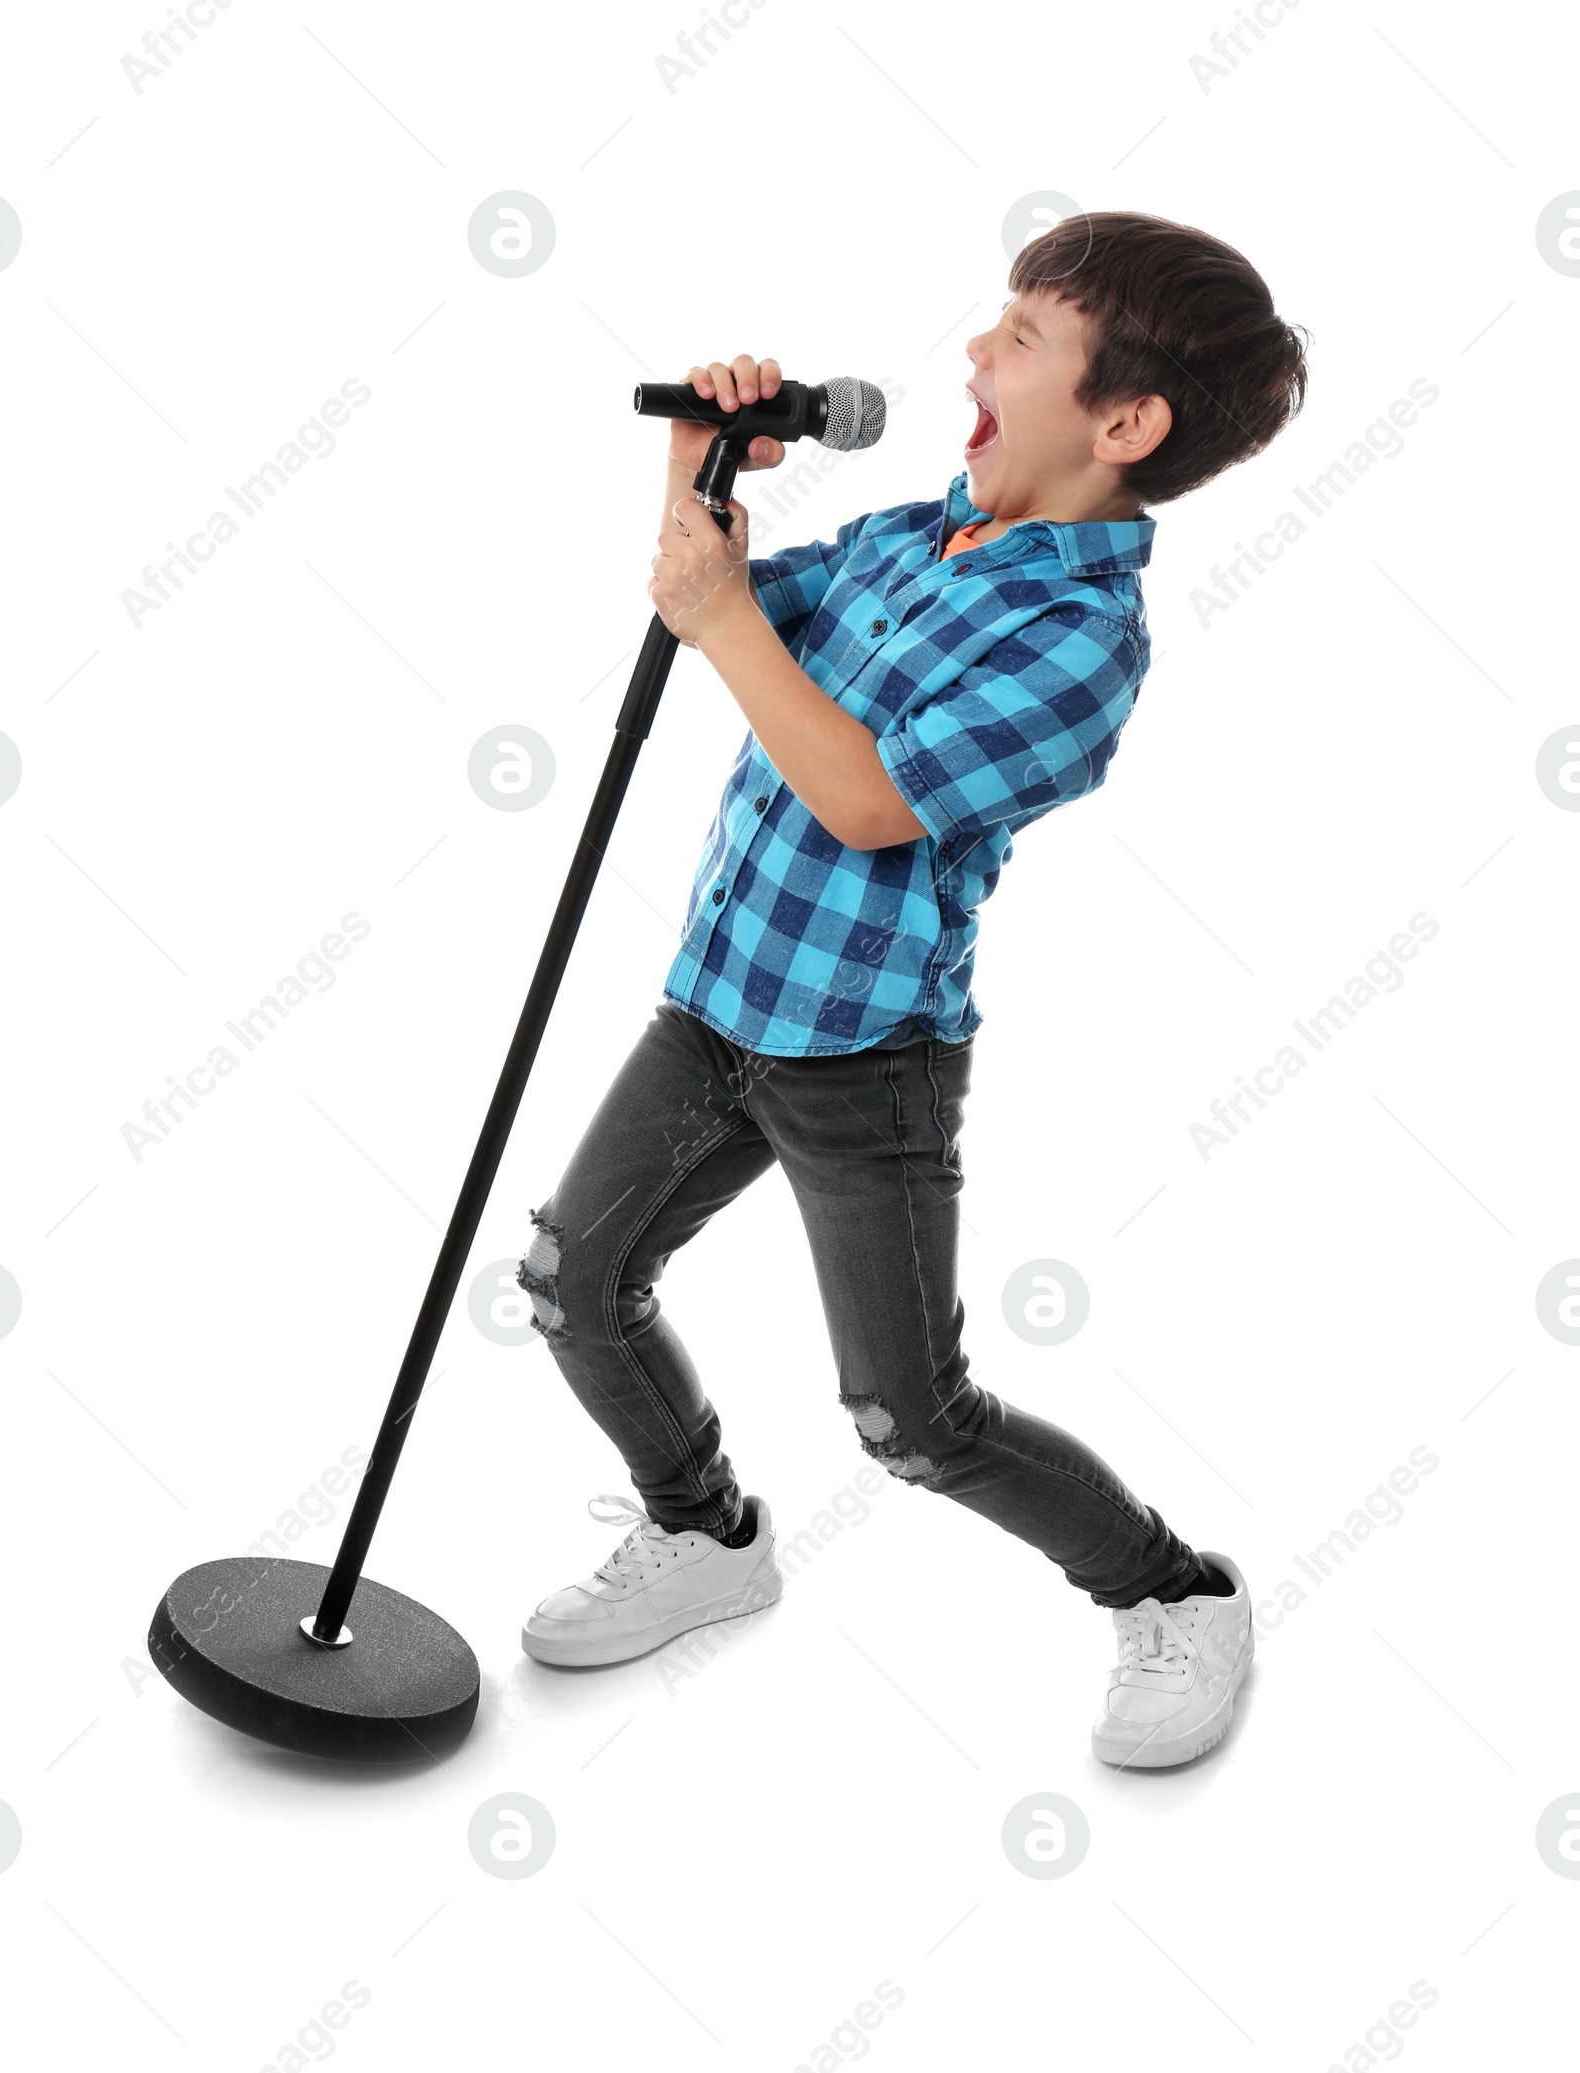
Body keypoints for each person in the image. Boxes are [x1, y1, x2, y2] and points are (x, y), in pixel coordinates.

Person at [514, 211, 1308, 1769]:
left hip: (863, 1058)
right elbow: (705, 597)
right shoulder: (908, 535)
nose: (974, 350)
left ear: (1123, 424)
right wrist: (703, 449)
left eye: (1020, 335)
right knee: (571, 1280)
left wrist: (730, 618)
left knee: (911, 1420)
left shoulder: (1080, 640)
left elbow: (867, 797)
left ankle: (1175, 1591)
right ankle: (707, 1533)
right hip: (717, 996)